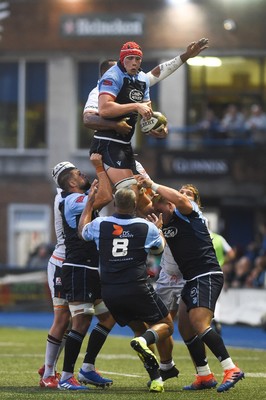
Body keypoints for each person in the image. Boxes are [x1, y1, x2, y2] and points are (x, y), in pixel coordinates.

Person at [137, 175, 245, 393]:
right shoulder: (163, 220)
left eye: (158, 206)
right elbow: (144, 207)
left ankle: (230, 368)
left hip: (206, 274)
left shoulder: (189, 211)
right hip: (192, 278)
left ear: (169, 204)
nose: (154, 211)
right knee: (185, 328)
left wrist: (151, 185)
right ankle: (204, 376)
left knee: (198, 323)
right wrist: (136, 188)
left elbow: (179, 199)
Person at [78, 185, 174, 393]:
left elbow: (82, 231)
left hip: (111, 292)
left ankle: (156, 378)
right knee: (166, 326)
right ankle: (144, 342)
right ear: (134, 206)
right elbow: (159, 249)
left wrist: (89, 204)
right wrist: (159, 229)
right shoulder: (144, 226)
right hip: (136, 287)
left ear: (114, 203)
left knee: (139, 327)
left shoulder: (100, 224)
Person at [89, 39, 209, 196]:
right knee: (130, 195)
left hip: (125, 146)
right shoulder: (106, 82)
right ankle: (87, 215)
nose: (134, 62)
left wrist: (157, 128)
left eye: (137, 59)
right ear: (121, 61)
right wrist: (134, 107)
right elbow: (101, 112)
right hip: (106, 145)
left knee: (150, 197)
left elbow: (148, 109)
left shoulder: (140, 79)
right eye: (129, 59)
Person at [54, 154, 115, 391]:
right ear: (71, 183)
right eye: (79, 174)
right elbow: (108, 196)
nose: (83, 174)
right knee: (80, 322)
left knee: (108, 317)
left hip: (91, 268)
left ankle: (87, 368)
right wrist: (100, 167)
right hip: (78, 267)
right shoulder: (73, 200)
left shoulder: (81, 197)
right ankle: (66, 377)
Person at [38, 184, 72, 388]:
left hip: (78, 265)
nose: (82, 174)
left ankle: (50, 367)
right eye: (77, 173)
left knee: (78, 320)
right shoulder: (67, 198)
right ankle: (49, 373)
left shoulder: (71, 196)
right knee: (63, 318)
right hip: (62, 264)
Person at [209, 229, 236, 335]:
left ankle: (209, 320)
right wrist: (223, 262)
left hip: (203, 271)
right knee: (217, 298)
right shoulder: (219, 238)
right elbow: (231, 253)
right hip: (218, 271)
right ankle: (217, 318)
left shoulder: (200, 236)